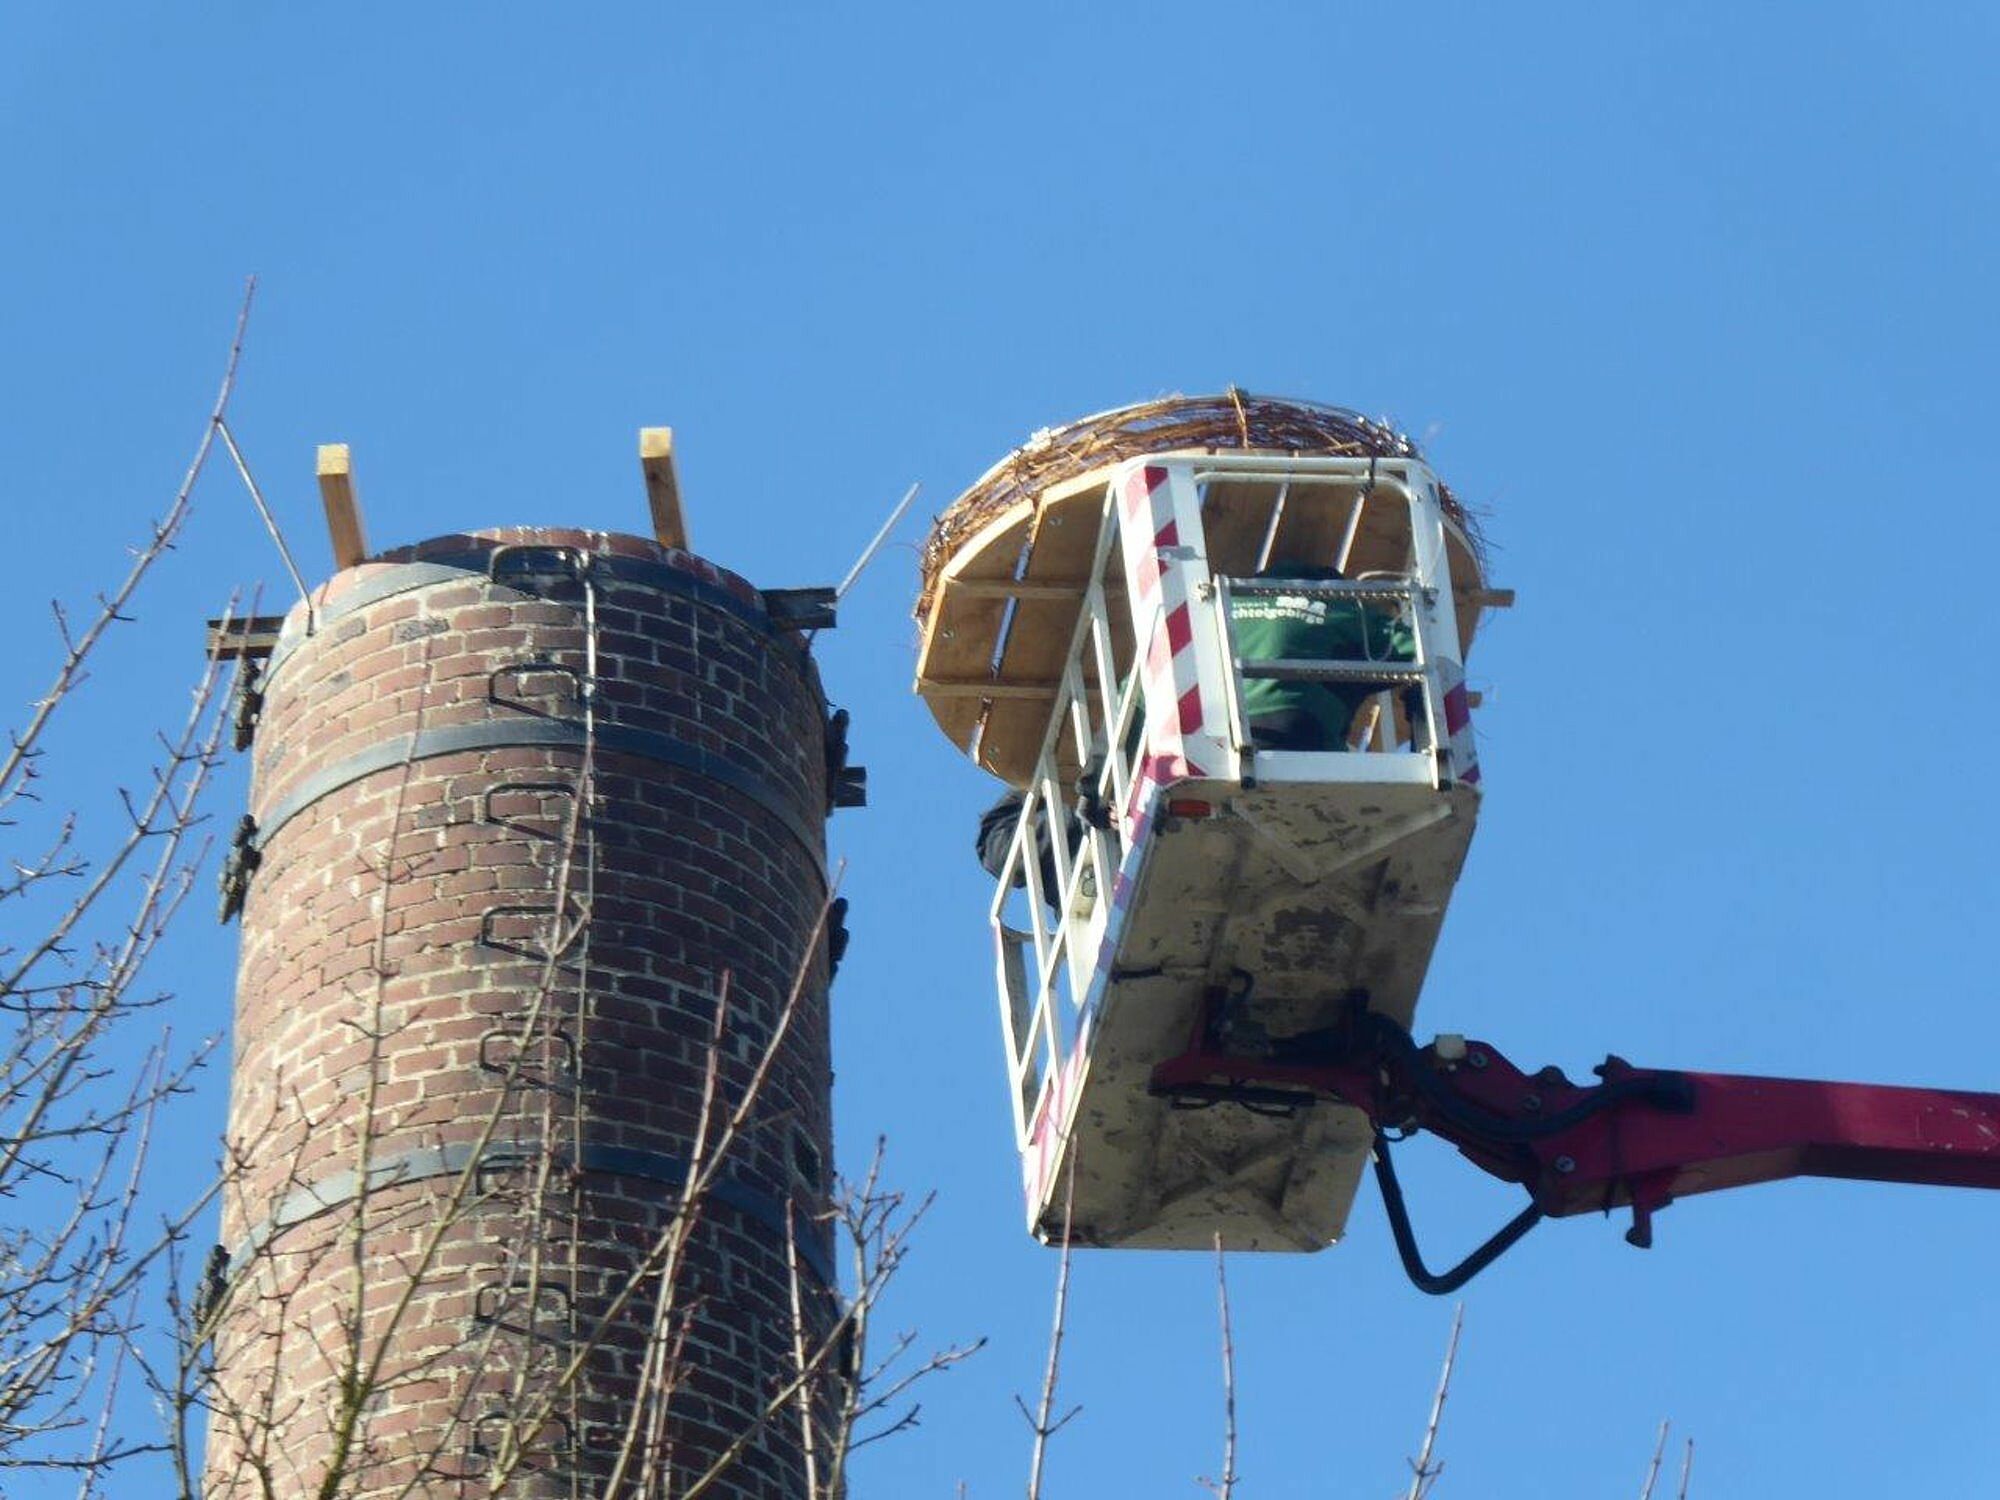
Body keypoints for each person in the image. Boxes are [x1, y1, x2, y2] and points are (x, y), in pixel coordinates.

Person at [1227, 562, 1418, 752]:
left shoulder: (1229, 605)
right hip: (1302, 728)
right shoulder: (1339, 606)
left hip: (1224, 728)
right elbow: (1415, 650)